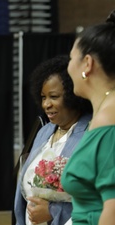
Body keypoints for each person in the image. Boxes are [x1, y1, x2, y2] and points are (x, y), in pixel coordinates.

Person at [14, 55, 92, 225]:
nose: (46, 105)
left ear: (74, 95)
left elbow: (96, 200)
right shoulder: (45, 131)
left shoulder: (90, 134)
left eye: (54, 97)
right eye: (43, 97)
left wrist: (53, 211)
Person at [62, 10, 115, 225]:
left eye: (71, 58)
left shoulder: (110, 119)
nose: (68, 66)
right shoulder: (104, 112)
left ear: (87, 63)